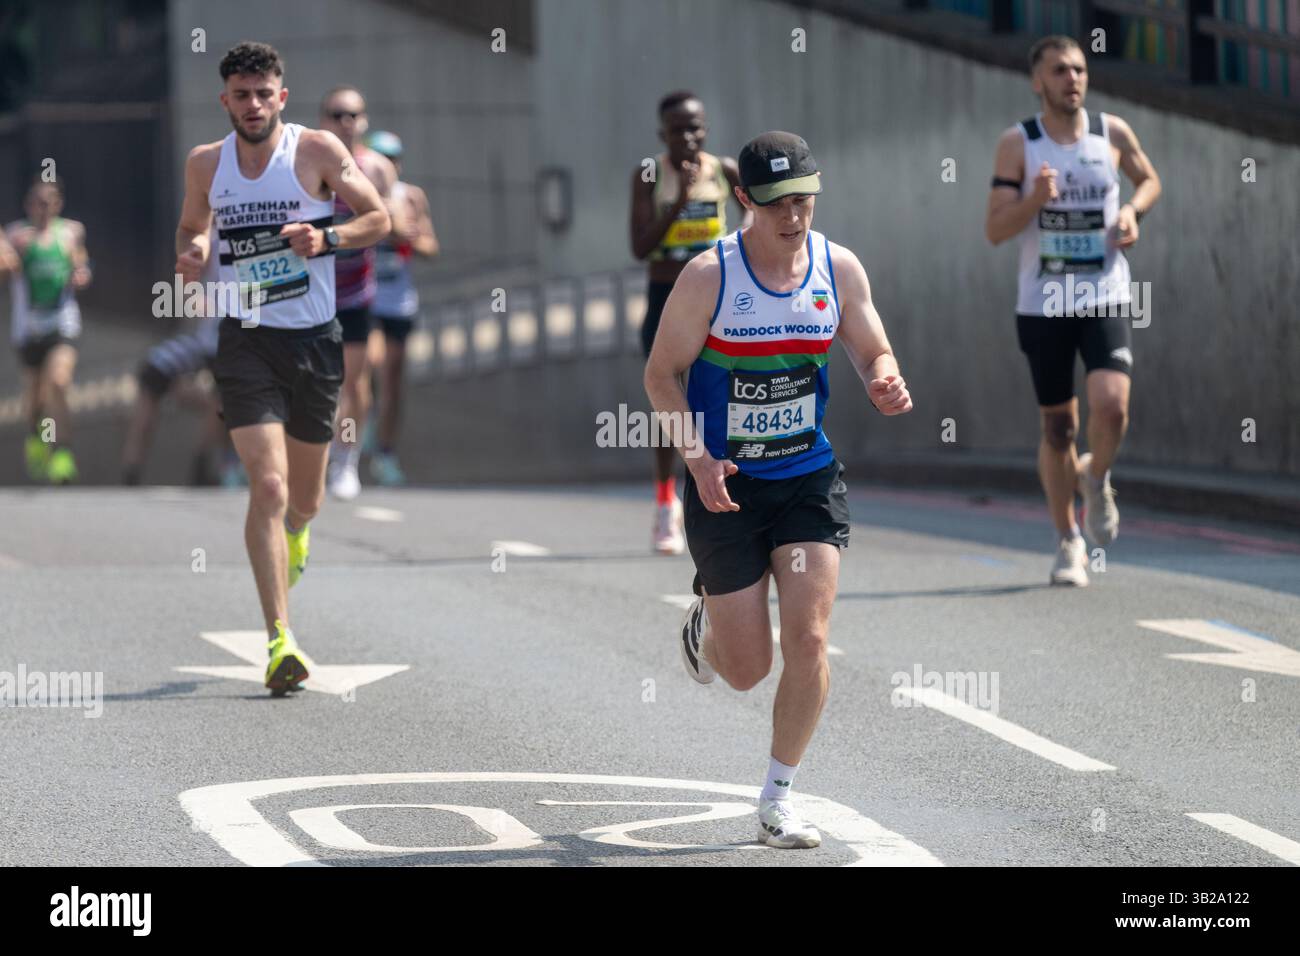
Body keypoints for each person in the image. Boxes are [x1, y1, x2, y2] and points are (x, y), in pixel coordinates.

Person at [645, 131, 912, 848]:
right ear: (744, 202)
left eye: (804, 200)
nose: (794, 216)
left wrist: (884, 376)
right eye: (777, 204)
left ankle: (776, 798)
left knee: (810, 637)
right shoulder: (709, 278)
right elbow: (660, 376)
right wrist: (697, 459)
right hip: (726, 484)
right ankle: (706, 621)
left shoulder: (837, 266)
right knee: (746, 670)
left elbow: (869, 343)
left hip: (805, 478)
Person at [174, 41, 390, 693]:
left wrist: (328, 237)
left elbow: (377, 217)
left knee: (306, 499)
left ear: (281, 97)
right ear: (225, 101)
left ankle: (297, 531)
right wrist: (194, 248)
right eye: (240, 95)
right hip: (245, 340)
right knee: (266, 487)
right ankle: (280, 641)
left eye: (263, 93)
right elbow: (191, 229)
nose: (252, 105)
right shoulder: (207, 164)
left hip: (316, 342)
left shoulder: (317, 151)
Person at [985, 35, 1161, 586]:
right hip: (1044, 304)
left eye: (1080, 69)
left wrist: (1132, 212)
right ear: (1038, 80)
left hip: (1105, 292)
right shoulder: (1020, 143)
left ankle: (1097, 475)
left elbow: (1150, 179)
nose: (1073, 79)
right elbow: (994, 229)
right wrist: (1034, 201)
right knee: (1059, 427)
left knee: (1112, 407)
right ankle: (1068, 540)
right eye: (1060, 70)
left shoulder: (1112, 133)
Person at [630, 90, 747, 554]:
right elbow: (639, 246)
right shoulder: (649, 174)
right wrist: (678, 200)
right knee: (668, 400)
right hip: (665, 299)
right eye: (678, 129)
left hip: (717, 301)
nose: (688, 136)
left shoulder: (725, 171)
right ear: (663, 134)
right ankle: (665, 506)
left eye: (695, 127)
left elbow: (760, 222)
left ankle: (728, 492)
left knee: (727, 394)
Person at [318, 86, 397, 499]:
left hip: (355, 293)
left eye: (354, 115)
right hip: (312, 292)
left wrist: (397, 222)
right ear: (324, 121)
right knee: (313, 382)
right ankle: (313, 455)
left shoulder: (378, 168)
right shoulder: (309, 163)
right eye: (337, 115)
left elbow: (394, 222)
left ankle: (346, 462)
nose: (346, 123)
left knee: (355, 383)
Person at [122, 226, 226, 486]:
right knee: (152, 372)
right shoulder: (212, 237)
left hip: (237, 343)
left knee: (224, 392)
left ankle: (202, 465)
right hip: (205, 340)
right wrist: (193, 294)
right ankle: (131, 468)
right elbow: (190, 268)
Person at [3, 179, 91, 484]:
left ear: (58, 205)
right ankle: (35, 435)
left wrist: (81, 274)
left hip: (61, 322)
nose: (43, 209)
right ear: (28, 205)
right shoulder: (15, 236)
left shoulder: (71, 232)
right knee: (35, 397)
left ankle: (62, 453)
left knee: (58, 381)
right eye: (37, 203)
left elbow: (81, 264)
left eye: (49, 202)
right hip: (28, 328)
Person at [364, 129, 439, 485]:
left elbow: (430, 247)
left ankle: (385, 451)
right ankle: (364, 415)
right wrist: (383, 229)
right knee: (372, 362)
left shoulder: (411, 196)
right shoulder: (357, 195)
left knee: (393, 378)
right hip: (366, 297)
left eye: (394, 159)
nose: (388, 166)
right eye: (382, 158)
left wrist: (410, 237)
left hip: (399, 300)